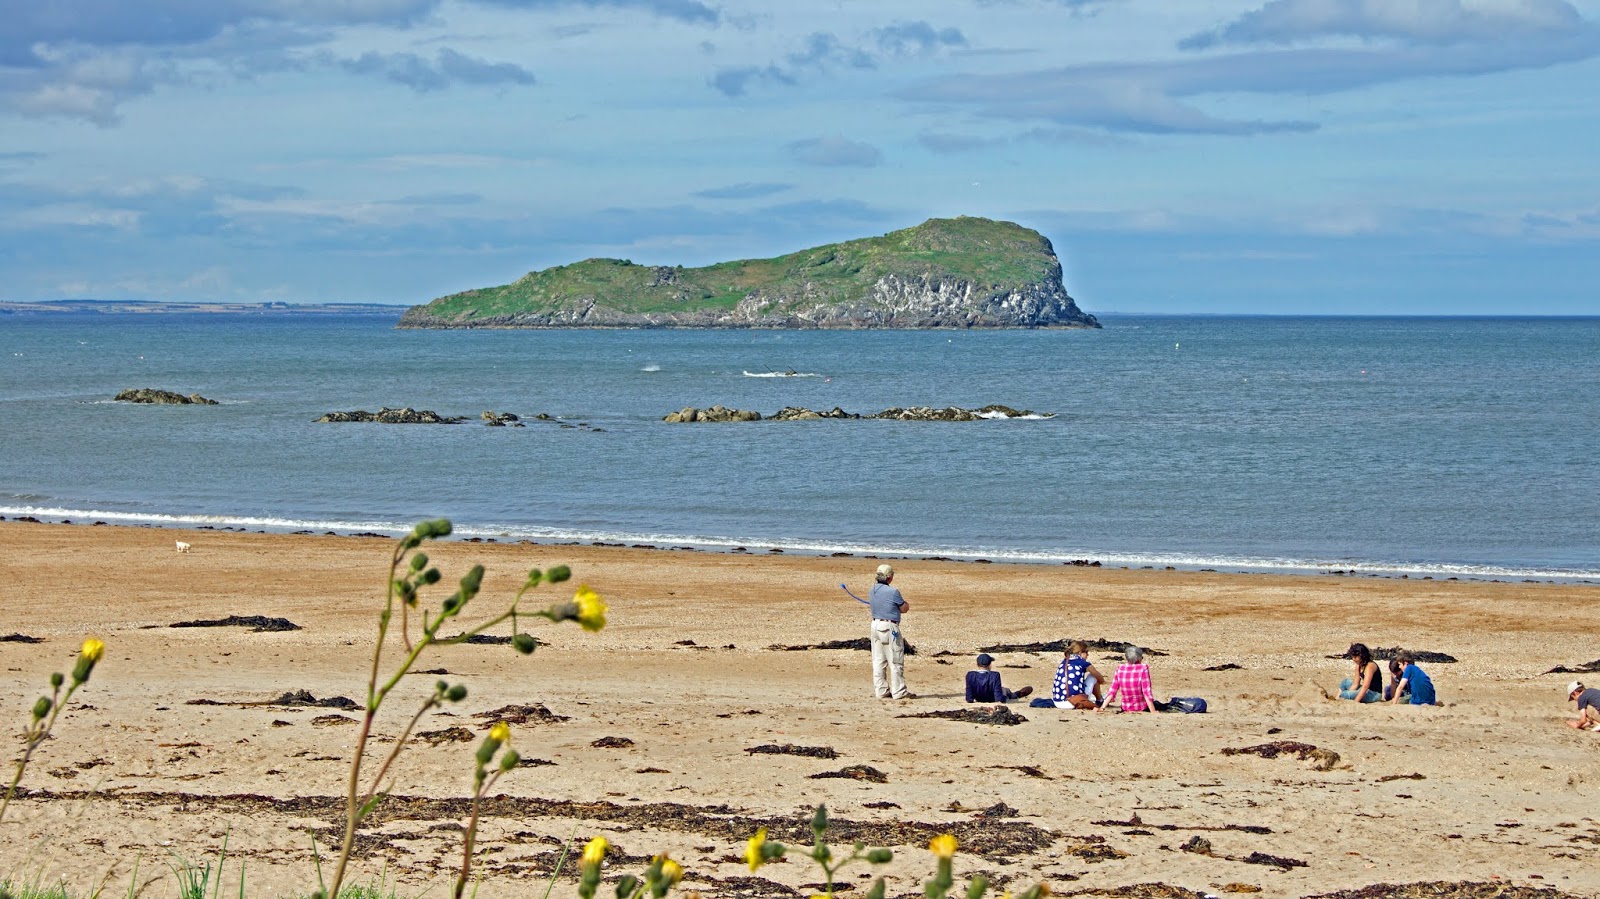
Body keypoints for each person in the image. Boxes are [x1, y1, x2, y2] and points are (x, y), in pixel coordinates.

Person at [867, 564, 911, 700]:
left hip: (875, 625)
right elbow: (904, 608)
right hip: (889, 626)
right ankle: (899, 691)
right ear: (889, 577)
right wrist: (906, 604)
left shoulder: (872, 590)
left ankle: (881, 690)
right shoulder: (893, 592)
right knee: (895, 659)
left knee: (878, 660)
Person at [1099, 645, 1157, 713]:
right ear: (1139, 658)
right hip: (1141, 707)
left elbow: (1112, 691)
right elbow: (1146, 691)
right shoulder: (1143, 668)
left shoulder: (1120, 668)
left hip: (1126, 707)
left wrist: (1102, 708)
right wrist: (1153, 711)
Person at [1052, 641, 1105, 709]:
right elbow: (1099, 678)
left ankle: (1098, 699)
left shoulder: (1064, 661)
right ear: (1080, 652)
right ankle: (1100, 700)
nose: (1087, 655)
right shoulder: (1083, 662)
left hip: (1057, 702)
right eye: (1086, 652)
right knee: (1093, 676)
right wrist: (1103, 682)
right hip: (1073, 702)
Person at [965, 653, 1033, 703]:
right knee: (1005, 690)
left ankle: (1015, 694)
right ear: (990, 665)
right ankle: (1016, 694)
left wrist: (972, 700)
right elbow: (998, 698)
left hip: (979, 698)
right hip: (992, 698)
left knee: (1003, 689)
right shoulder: (995, 675)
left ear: (977, 664)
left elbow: (969, 698)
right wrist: (1004, 698)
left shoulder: (970, 675)